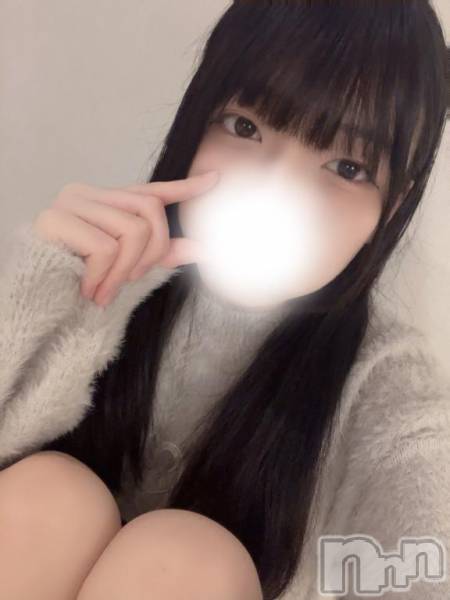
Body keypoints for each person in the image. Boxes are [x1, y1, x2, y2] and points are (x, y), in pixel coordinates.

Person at [0, 1, 449, 599]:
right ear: (197, 120)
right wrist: (43, 281)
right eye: (244, 127)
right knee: (52, 497)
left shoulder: (389, 388)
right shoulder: (104, 270)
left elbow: (425, 555)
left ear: (391, 208)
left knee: (188, 558)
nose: (275, 188)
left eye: (347, 166)